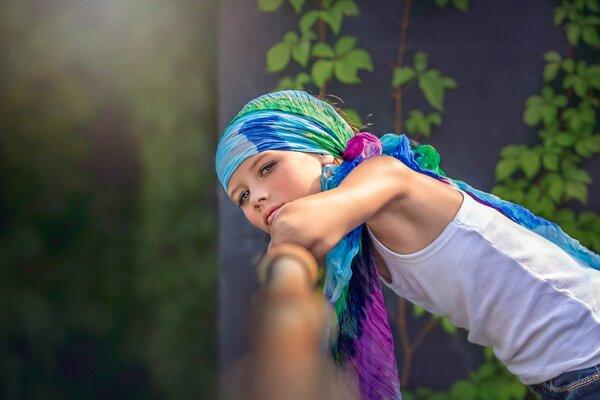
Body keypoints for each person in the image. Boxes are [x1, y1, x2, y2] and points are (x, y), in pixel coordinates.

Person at [215, 90, 600, 400]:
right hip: (556, 372)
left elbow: (305, 223)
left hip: (588, 353)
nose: (258, 198)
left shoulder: (382, 175)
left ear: (321, 148)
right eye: (243, 197)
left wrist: (283, 246)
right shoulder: (357, 238)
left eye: (266, 168)